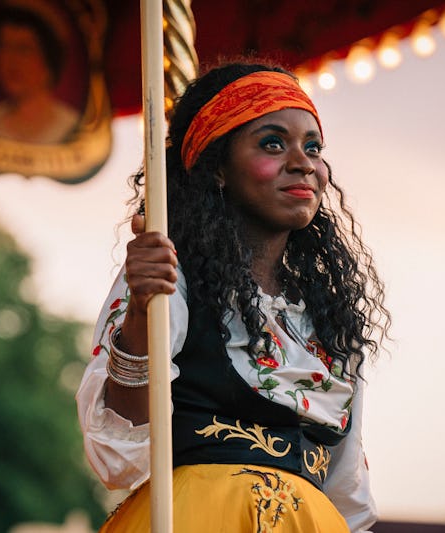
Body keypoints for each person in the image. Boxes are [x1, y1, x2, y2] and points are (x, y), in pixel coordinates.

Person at [76, 61, 390, 533]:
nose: (303, 162)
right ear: (218, 167)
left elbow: (348, 494)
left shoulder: (329, 319)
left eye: (313, 147)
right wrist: (141, 311)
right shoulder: (169, 272)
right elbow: (118, 457)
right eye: (272, 143)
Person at [0, 4, 79, 144]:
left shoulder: (73, 127)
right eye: (4, 47)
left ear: (49, 58)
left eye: (23, 49)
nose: (11, 60)